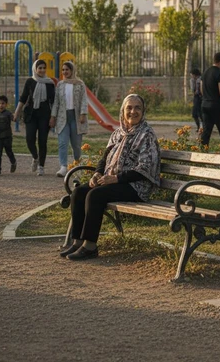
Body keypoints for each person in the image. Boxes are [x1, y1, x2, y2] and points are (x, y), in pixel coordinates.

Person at [61, 94, 161, 261]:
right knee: (79, 192)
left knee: (96, 195)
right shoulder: (118, 133)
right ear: (123, 111)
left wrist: (116, 178)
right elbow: (105, 157)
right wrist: (97, 173)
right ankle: (77, 241)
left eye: (137, 108)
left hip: (136, 186)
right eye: (129, 108)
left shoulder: (147, 135)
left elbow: (145, 168)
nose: (133, 111)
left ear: (143, 112)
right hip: (113, 182)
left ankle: (90, 246)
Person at [15, 59, 55, 176]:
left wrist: (53, 117)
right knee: (29, 139)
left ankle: (41, 166)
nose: (42, 70)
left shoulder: (50, 83)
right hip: (31, 114)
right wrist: (16, 113)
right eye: (40, 68)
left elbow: (53, 102)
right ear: (35, 69)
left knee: (43, 141)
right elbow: (23, 98)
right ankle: (35, 157)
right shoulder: (30, 81)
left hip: (45, 115)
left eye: (44, 68)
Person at [50, 61, 88, 178]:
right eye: (63, 70)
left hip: (76, 118)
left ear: (72, 71)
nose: (65, 72)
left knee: (76, 144)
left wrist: (83, 114)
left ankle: (78, 164)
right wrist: (53, 116)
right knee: (62, 142)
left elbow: (84, 100)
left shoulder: (80, 84)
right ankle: (63, 167)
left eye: (67, 69)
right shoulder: (60, 85)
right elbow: (56, 102)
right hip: (62, 117)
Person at [189, 68, 203, 132]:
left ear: (195, 74)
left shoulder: (200, 79)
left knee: (200, 113)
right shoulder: (192, 80)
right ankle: (198, 126)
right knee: (194, 113)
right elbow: (192, 90)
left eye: (192, 75)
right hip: (196, 97)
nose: (191, 76)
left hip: (201, 97)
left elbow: (200, 90)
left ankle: (203, 127)